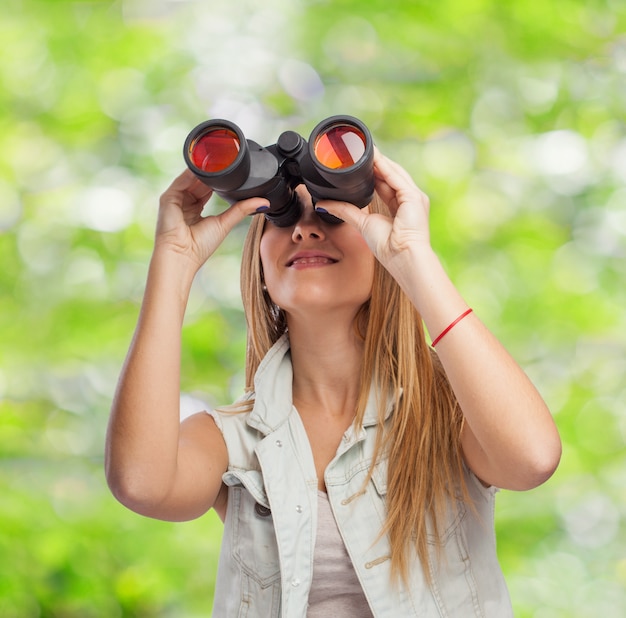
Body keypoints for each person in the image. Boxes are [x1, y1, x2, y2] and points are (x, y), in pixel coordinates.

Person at [105, 145, 562, 617]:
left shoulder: (448, 412)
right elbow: (142, 484)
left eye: (332, 214)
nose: (304, 228)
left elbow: (532, 460)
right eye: (282, 218)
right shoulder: (234, 439)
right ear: (260, 266)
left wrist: (412, 259)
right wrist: (174, 261)